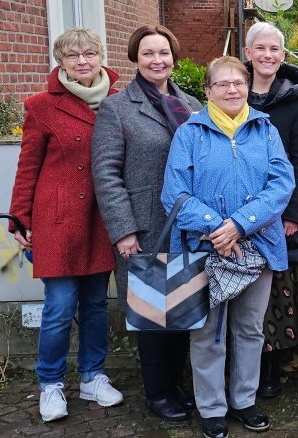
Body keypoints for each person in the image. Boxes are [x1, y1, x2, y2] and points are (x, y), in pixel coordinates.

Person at [162, 56, 295, 438]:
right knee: (206, 332)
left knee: (250, 328)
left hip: (259, 245)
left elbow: (281, 185)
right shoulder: (189, 133)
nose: (232, 89)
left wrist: (240, 224)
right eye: (222, 84)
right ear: (207, 91)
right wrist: (216, 228)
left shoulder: (265, 129)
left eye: (238, 82)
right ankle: (211, 408)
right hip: (204, 248)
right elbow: (174, 193)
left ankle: (244, 400)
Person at [9, 28, 123, 423]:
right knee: (59, 307)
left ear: (100, 56)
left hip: (101, 216)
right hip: (57, 218)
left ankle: (92, 376)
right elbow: (28, 167)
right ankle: (50, 383)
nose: (82, 61)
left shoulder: (117, 101)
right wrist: (19, 219)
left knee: (95, 304)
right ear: (60, 61)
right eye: (73, 55)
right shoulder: (42, 105)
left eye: (89, 53)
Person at [92, 24, 202, 421]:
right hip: (144, 227)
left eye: (164, 53)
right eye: (148, 54)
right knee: (152, 313)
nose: (158, 61)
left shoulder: (190, 104)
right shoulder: (117, 107)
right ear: (135, 59)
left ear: (174, 57)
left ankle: (176, 385)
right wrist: (123, 231)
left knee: (181, 309)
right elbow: (106, 173)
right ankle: (157, 393)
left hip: (187, 226)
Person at [242, 21, 298, 399]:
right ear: (249, 53)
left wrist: (293, 215)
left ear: (283, 56)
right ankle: (237, 372)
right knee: (236, 290)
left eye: (275, 49)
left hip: (278, 216)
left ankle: (268, 371)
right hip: (235, 212)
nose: (268, 55)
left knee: (272, 296)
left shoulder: (295, 101)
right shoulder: (233, 92)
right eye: (261, 48)